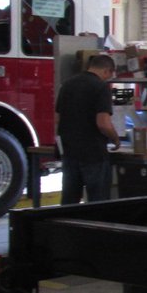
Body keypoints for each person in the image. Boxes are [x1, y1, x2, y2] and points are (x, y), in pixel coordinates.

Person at [54, 53, 120, 204]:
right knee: (97, 202)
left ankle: (67, 227)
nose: (108, 79)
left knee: (69, 202)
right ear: (107, 71)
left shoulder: (67, 84)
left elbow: (57, 118)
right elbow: (103, 123)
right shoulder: (101, 87)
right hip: (93, 153)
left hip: (69, 151)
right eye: (109, 75)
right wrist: (115, 138)